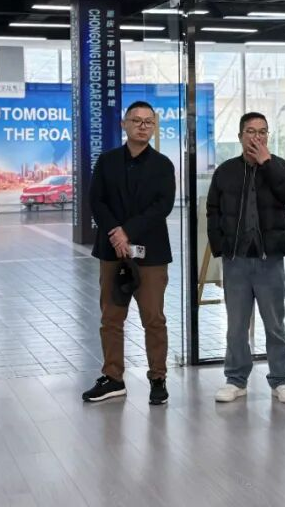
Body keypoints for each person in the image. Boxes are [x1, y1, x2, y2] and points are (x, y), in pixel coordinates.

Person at [82, 101, 176, 406]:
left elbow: (162, 206)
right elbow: (97, 200)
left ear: (154, 127)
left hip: (151, 255)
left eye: (149, 121)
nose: (143, 126)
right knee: (111, 317)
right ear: (124, 124)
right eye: (136, 120)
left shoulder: (163, 165)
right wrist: (116, 233)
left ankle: (158, 378)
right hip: (112, 252)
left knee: (153, 318)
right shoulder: (107, 161)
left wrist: (127, 232)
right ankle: (113, 378)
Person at [207, 112, 285, 404]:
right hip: (236, 260)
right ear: (240, 137)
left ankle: (280, 379)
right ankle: (236, 379)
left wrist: (267, 163)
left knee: (274, 323)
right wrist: (221, 248)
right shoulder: (226, 171)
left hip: (269, 260)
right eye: (250, 131)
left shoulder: (280, 166)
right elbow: (213, 210)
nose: (256, 137)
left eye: (262, 132)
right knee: (236, 325)